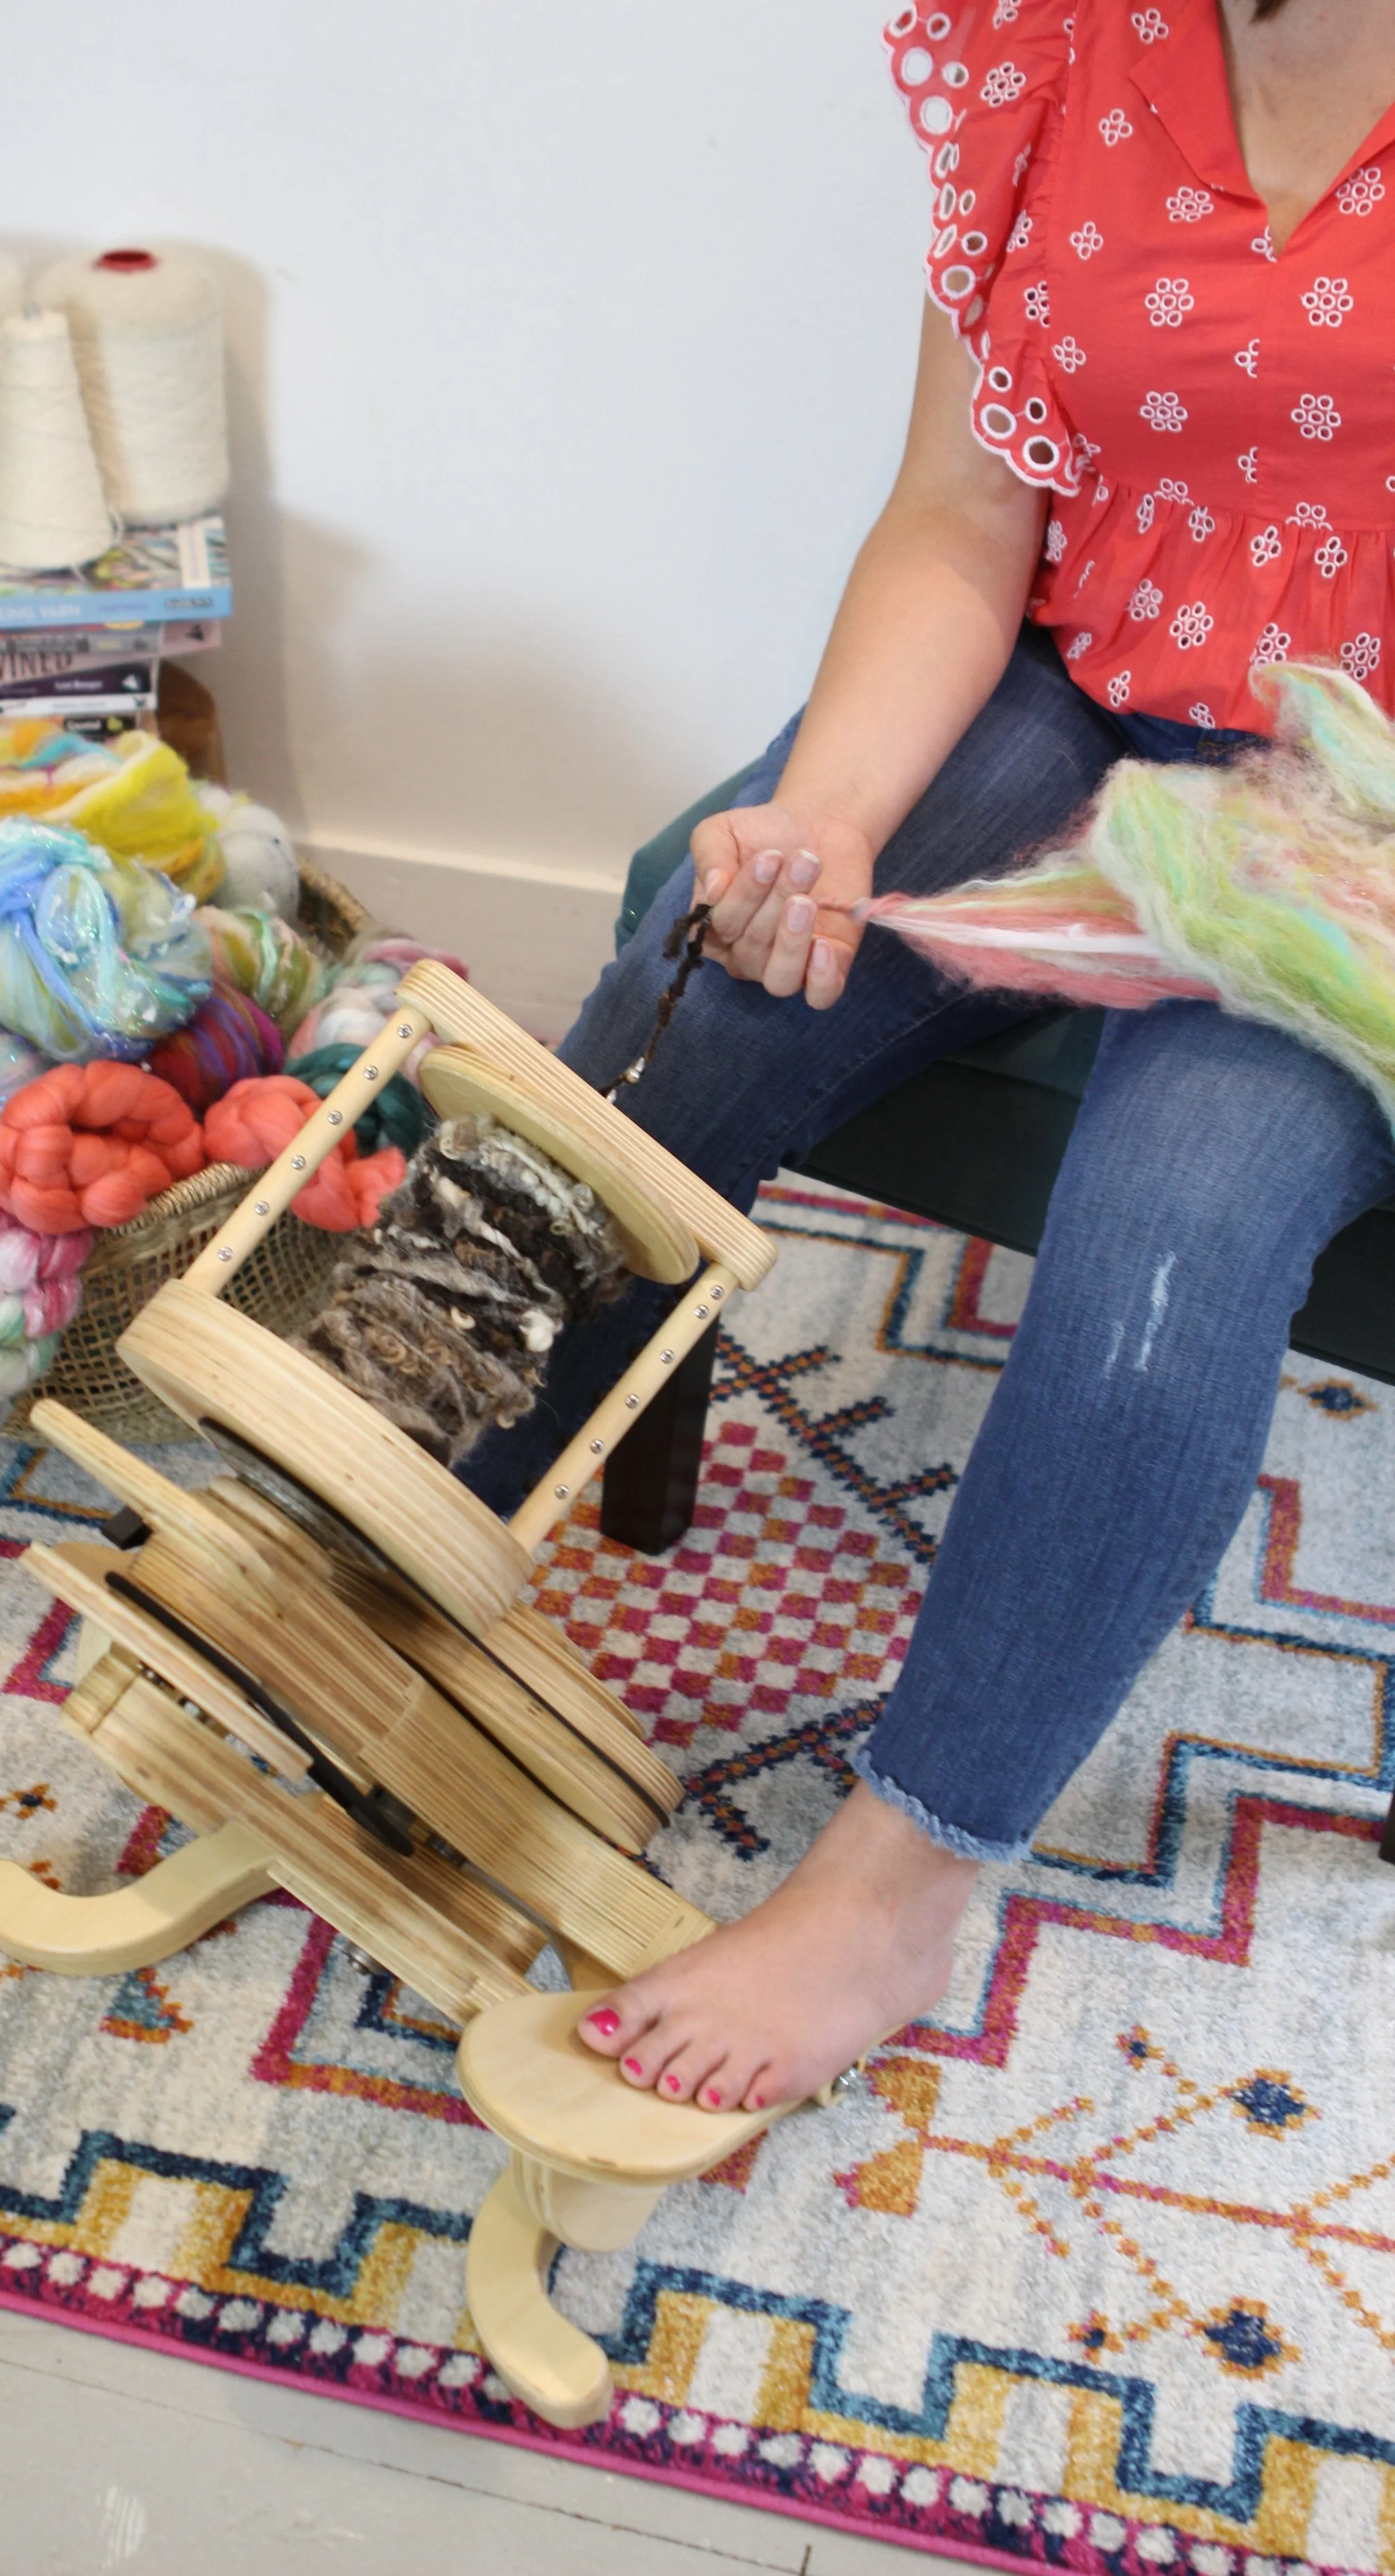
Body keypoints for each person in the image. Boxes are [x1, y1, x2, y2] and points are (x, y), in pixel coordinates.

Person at [456, 0, 1395, 2116]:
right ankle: (392, 1501)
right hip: (1088, 669)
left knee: (1165, 1240)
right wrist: (839, 815)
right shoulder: (1058, 42)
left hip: (1363, 820)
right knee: (699, 970)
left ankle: (895, 1879)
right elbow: (967, 508)